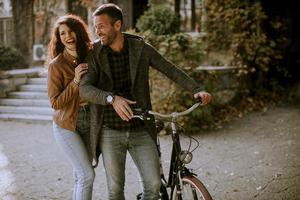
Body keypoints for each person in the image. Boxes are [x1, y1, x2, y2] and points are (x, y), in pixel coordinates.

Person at [80, 3, 212, 200]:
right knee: (115, 191)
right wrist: (111, 99)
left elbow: (170, 68)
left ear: (117, 25)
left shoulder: (140, 48)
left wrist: (197, 89)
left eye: (101, 26)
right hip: (110, 131)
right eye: (95, 26)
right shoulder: (94, 53)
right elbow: (85, 89)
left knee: (153, 184)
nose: (97, 31)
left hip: (141, 128)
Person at [47, 14, 95, 200]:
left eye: (71, 31)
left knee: (80, 175)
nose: (68, 36)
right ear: (59, 38)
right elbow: (55, 103)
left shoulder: (91, 55)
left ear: (79, 31)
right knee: (87, 175)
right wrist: (75, 81)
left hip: (89, 121)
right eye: (62, 33)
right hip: (66, 125)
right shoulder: (56, 65)